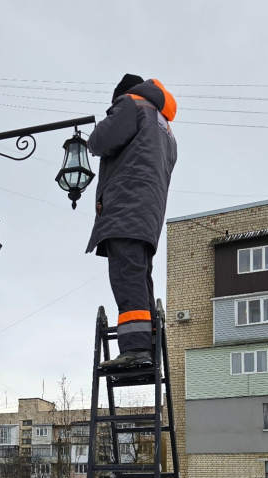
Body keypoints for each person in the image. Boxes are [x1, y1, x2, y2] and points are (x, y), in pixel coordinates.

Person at [86, 73, 178, 370]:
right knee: (138, 276)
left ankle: (136, 349)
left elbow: (100, 140)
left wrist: (108, 118)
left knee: (127, 277)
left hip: (126, 207)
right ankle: (147, 347)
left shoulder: (131, 103)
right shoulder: (165, 127)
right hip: (147, 212)